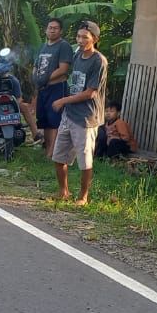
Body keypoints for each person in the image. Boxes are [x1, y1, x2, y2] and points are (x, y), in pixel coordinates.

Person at [49, 19, 108, 206]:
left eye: (85, 37)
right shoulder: (76, 55)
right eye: (78, 36)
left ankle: (83, 196)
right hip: (69, 113)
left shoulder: (98, 61)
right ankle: (63, 191)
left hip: (86, 117)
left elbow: (90, 93)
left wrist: (63, 101)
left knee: (85, 160)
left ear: (95, 39)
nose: (81, 40)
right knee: (59, 156)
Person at [34, 17, 74, 157]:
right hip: (43, 88)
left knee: (55, 120)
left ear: (61, 31)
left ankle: (53, 152)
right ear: (45, 30)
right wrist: (36, 78)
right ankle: (47, 148)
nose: (52, 30)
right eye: (50, 27)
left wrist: (45, 79)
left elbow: (63, 69)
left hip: (57, 87)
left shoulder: (64, 46)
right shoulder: (43, 46)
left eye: (55, 28)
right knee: (44, 120)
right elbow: (36, 65)